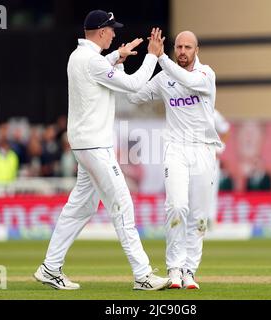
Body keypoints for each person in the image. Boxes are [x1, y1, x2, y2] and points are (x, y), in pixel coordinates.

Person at [33, 10, 170, 291]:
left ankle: (50, 267)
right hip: (95, 147)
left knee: (80, 208)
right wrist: (153, 56)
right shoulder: (92, 61)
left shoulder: (78, 56)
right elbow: (132, 85)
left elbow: (96, 66)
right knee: (122, 205)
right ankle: (143, 275)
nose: (114, 34)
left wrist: (116, 56)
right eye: (111, 30)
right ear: (101, 32)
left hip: (87, 145)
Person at [127, 30, 223, 289]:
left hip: (203, 149)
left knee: (200, 216)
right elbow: (134, 95)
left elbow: (187, 82)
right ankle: (174, 269)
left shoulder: (206, 75)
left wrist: (161, 59)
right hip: (175, 149)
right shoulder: (164, 77)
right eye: (178, 46)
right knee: (177, 207)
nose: (182, 51)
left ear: (197, 50)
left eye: (188, 47)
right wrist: (140, 61)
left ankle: (190, 270)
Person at [208, 110, 231, 228]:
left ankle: (210, 220)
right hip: (192, 157)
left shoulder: (212, 112)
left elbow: (226, 130)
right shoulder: (185, 108)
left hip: (210, 158)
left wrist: (218, 149)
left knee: (211, 190)